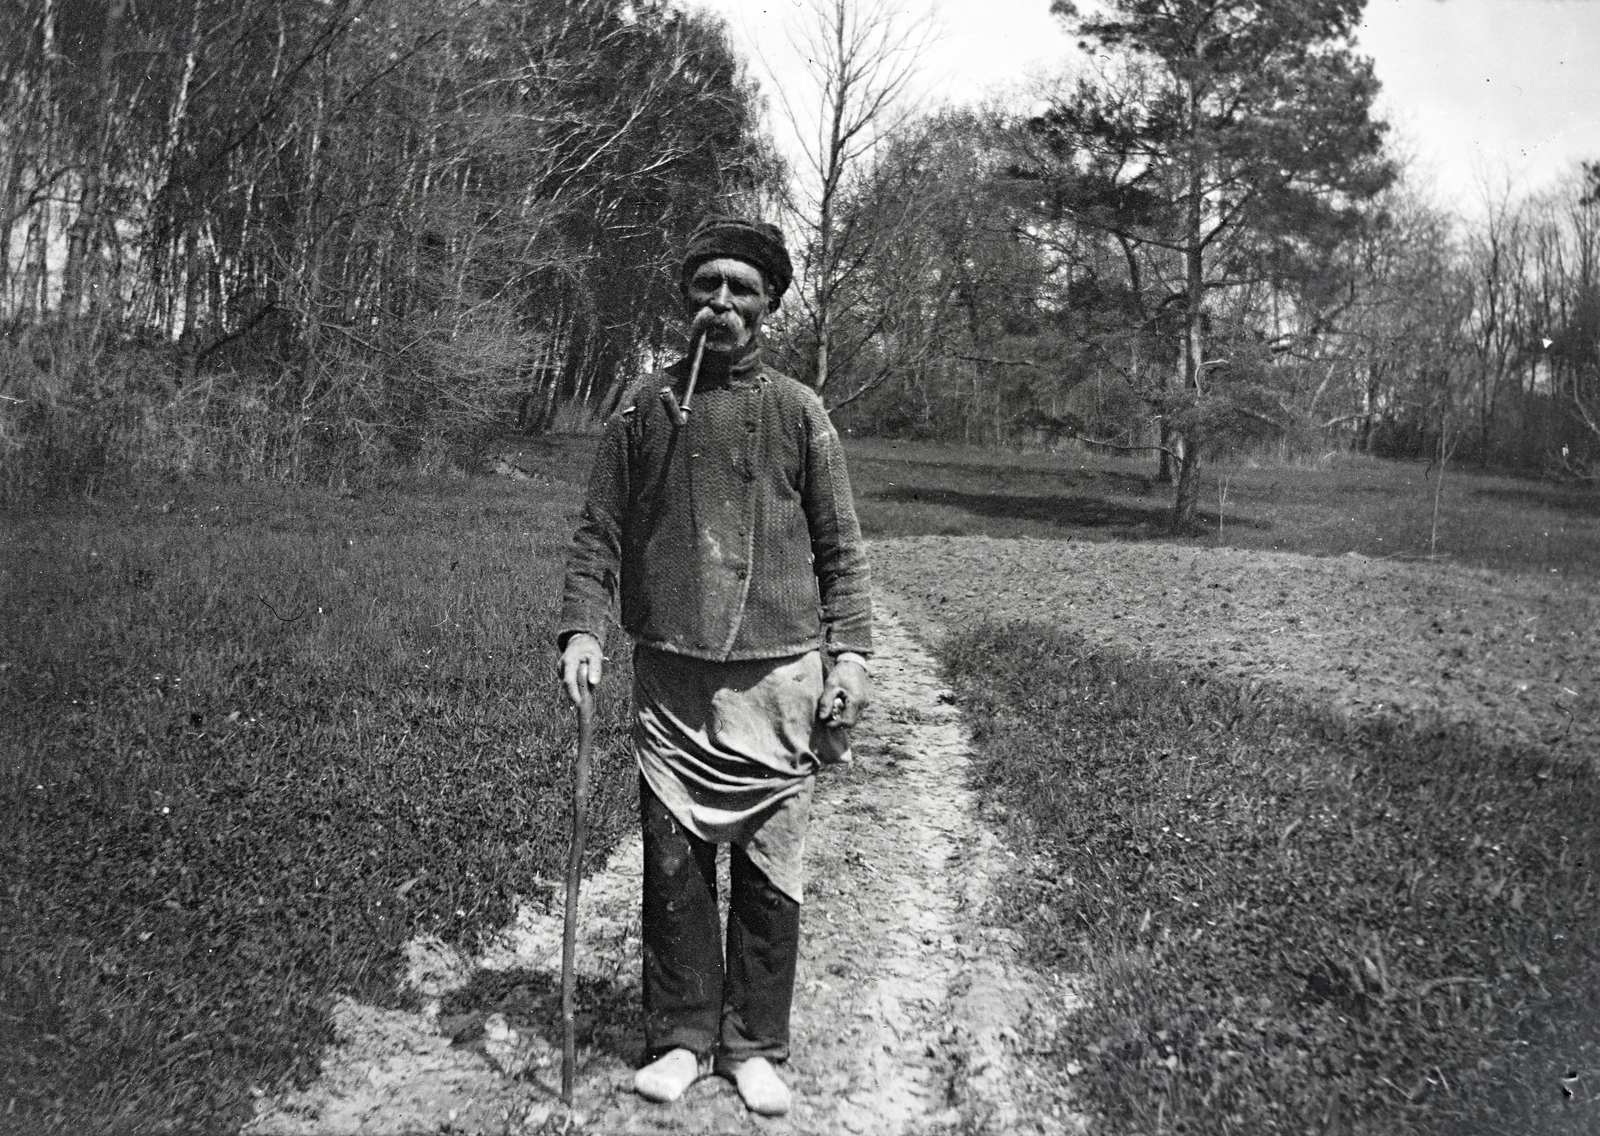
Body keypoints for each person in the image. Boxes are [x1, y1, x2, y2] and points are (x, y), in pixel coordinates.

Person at [556, 215, 873, 1117]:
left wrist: (848, 654)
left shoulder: (799, 412)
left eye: (740, 289)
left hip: (779, 678)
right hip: (672, 676)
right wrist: (583, 630)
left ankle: (754, 1045)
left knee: (772, 868)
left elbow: (841, 552)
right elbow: (598, 535)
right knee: (673, 861)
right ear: (685, 299)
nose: (721, 304)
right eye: (707, 287)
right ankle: (683, 1037)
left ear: (769, 303)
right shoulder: (640, 408)